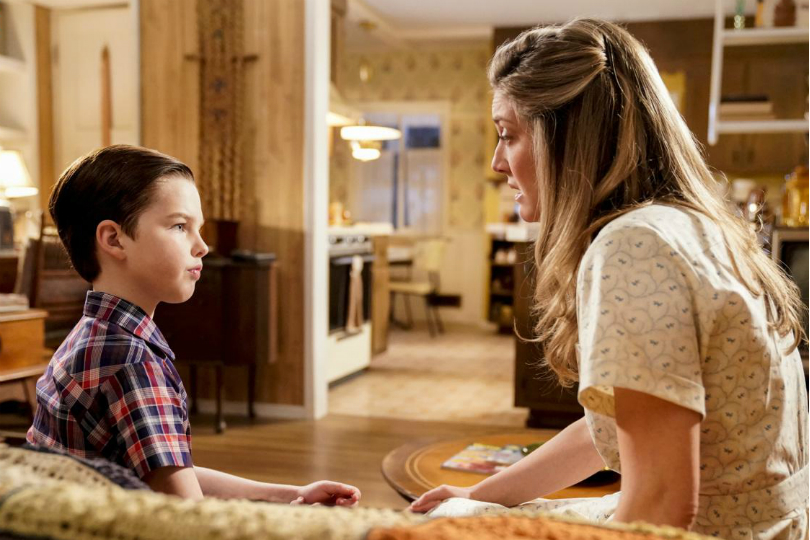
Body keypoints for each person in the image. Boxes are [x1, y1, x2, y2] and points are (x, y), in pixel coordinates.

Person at [410, 18, 808, 540]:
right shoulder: (698, 226)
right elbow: (629, 424)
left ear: (567, 136)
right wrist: (481, 495)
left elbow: (661, 503)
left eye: (508, 135)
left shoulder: (633, 246)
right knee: (458, 514)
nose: (496, 161)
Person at [27, 145, 361, 506]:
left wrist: (290, 495)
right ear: (113, 239)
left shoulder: (92, 336)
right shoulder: (132, 362)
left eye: (197, 229)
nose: (202, 246)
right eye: (179, 226)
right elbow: (190, 517)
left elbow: (165, 470)